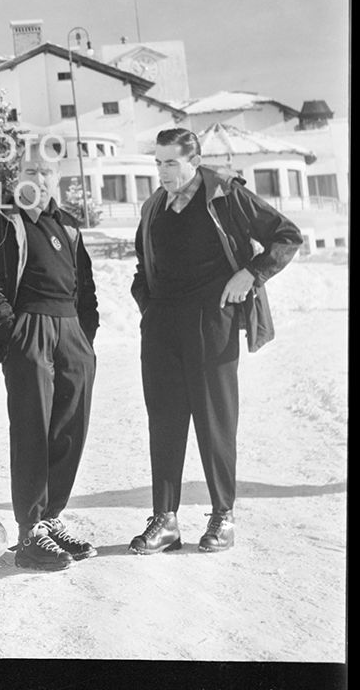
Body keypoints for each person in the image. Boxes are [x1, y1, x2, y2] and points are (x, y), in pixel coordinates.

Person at [129, 128, 302, 555]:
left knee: (215, 420)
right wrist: (148, 306)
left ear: (195, 160)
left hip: (212, 320)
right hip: (162, 324)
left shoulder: (226, 195)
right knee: (164, 422)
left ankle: (223, 515)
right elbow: (142, 262)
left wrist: (252, 274)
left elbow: (286, 235)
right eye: (158, 162)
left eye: (171, 162)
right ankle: (165, 519)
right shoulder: (154, 205)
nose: (163, 171)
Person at [0, 150, 100, 570]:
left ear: (56, 178)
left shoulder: (69, 228)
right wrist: (14, 335)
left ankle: (51, 518)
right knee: (33, 430)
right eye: (29, 171)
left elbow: (86, 288)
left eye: (45, 172)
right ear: (16, 176)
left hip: (70, 334)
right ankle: (30, 533)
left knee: (69, 429)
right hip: (31, 333)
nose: (37, 179)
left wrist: (84, 336)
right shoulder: (4, 227)